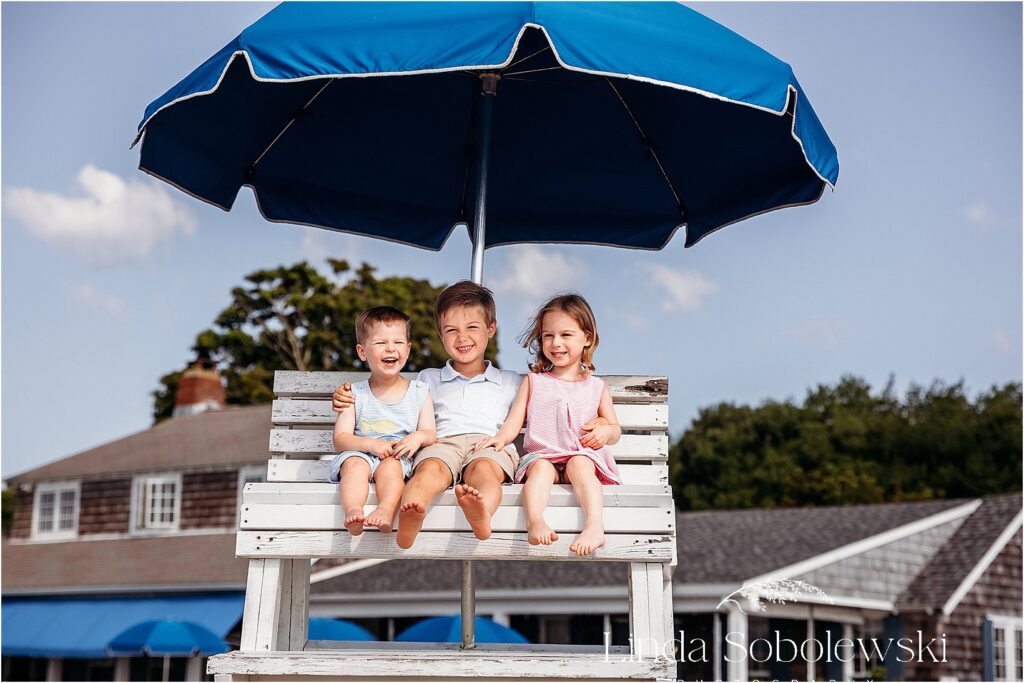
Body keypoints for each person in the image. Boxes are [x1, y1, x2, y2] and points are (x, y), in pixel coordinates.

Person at [332, 281, 521, 549]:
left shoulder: (511, 381)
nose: (462, 337)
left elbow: (540, 407)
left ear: (491, 328)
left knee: (485, 473)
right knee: (429, 470)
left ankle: (482, 513)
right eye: (451, 330)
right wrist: (344, 395)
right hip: (442, 444)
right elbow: (390, 391)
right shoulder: (427, 379)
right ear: (440, 335)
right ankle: (415, 508)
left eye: (472, 328)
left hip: (488, 444)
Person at [474, 294, 621, 556]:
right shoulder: (534, 382)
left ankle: (595, 526)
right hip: (543, 455)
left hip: (581, 454)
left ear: (587, 338)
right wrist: (500, 439)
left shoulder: (596, 387)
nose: (556, 343)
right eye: (548, 336)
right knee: (540, 469)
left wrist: (605, 431)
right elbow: (514, 420)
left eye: (566, 335)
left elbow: (614, 430)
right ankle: (535, 520)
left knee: (580, 465)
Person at [329, 306, 436, 536]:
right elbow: (340, 439)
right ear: (362, 351)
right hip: (361, 454)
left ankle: (385, 510)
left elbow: (429, 432)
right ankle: (353, 511)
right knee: (354, 466)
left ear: (408, 350)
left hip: (396, 457)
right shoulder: (354, 393)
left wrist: (417, 437)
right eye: (380, 343)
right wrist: (370, 445)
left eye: (398, 343)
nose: (390, 348)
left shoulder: (419, 392)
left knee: (391, 469)